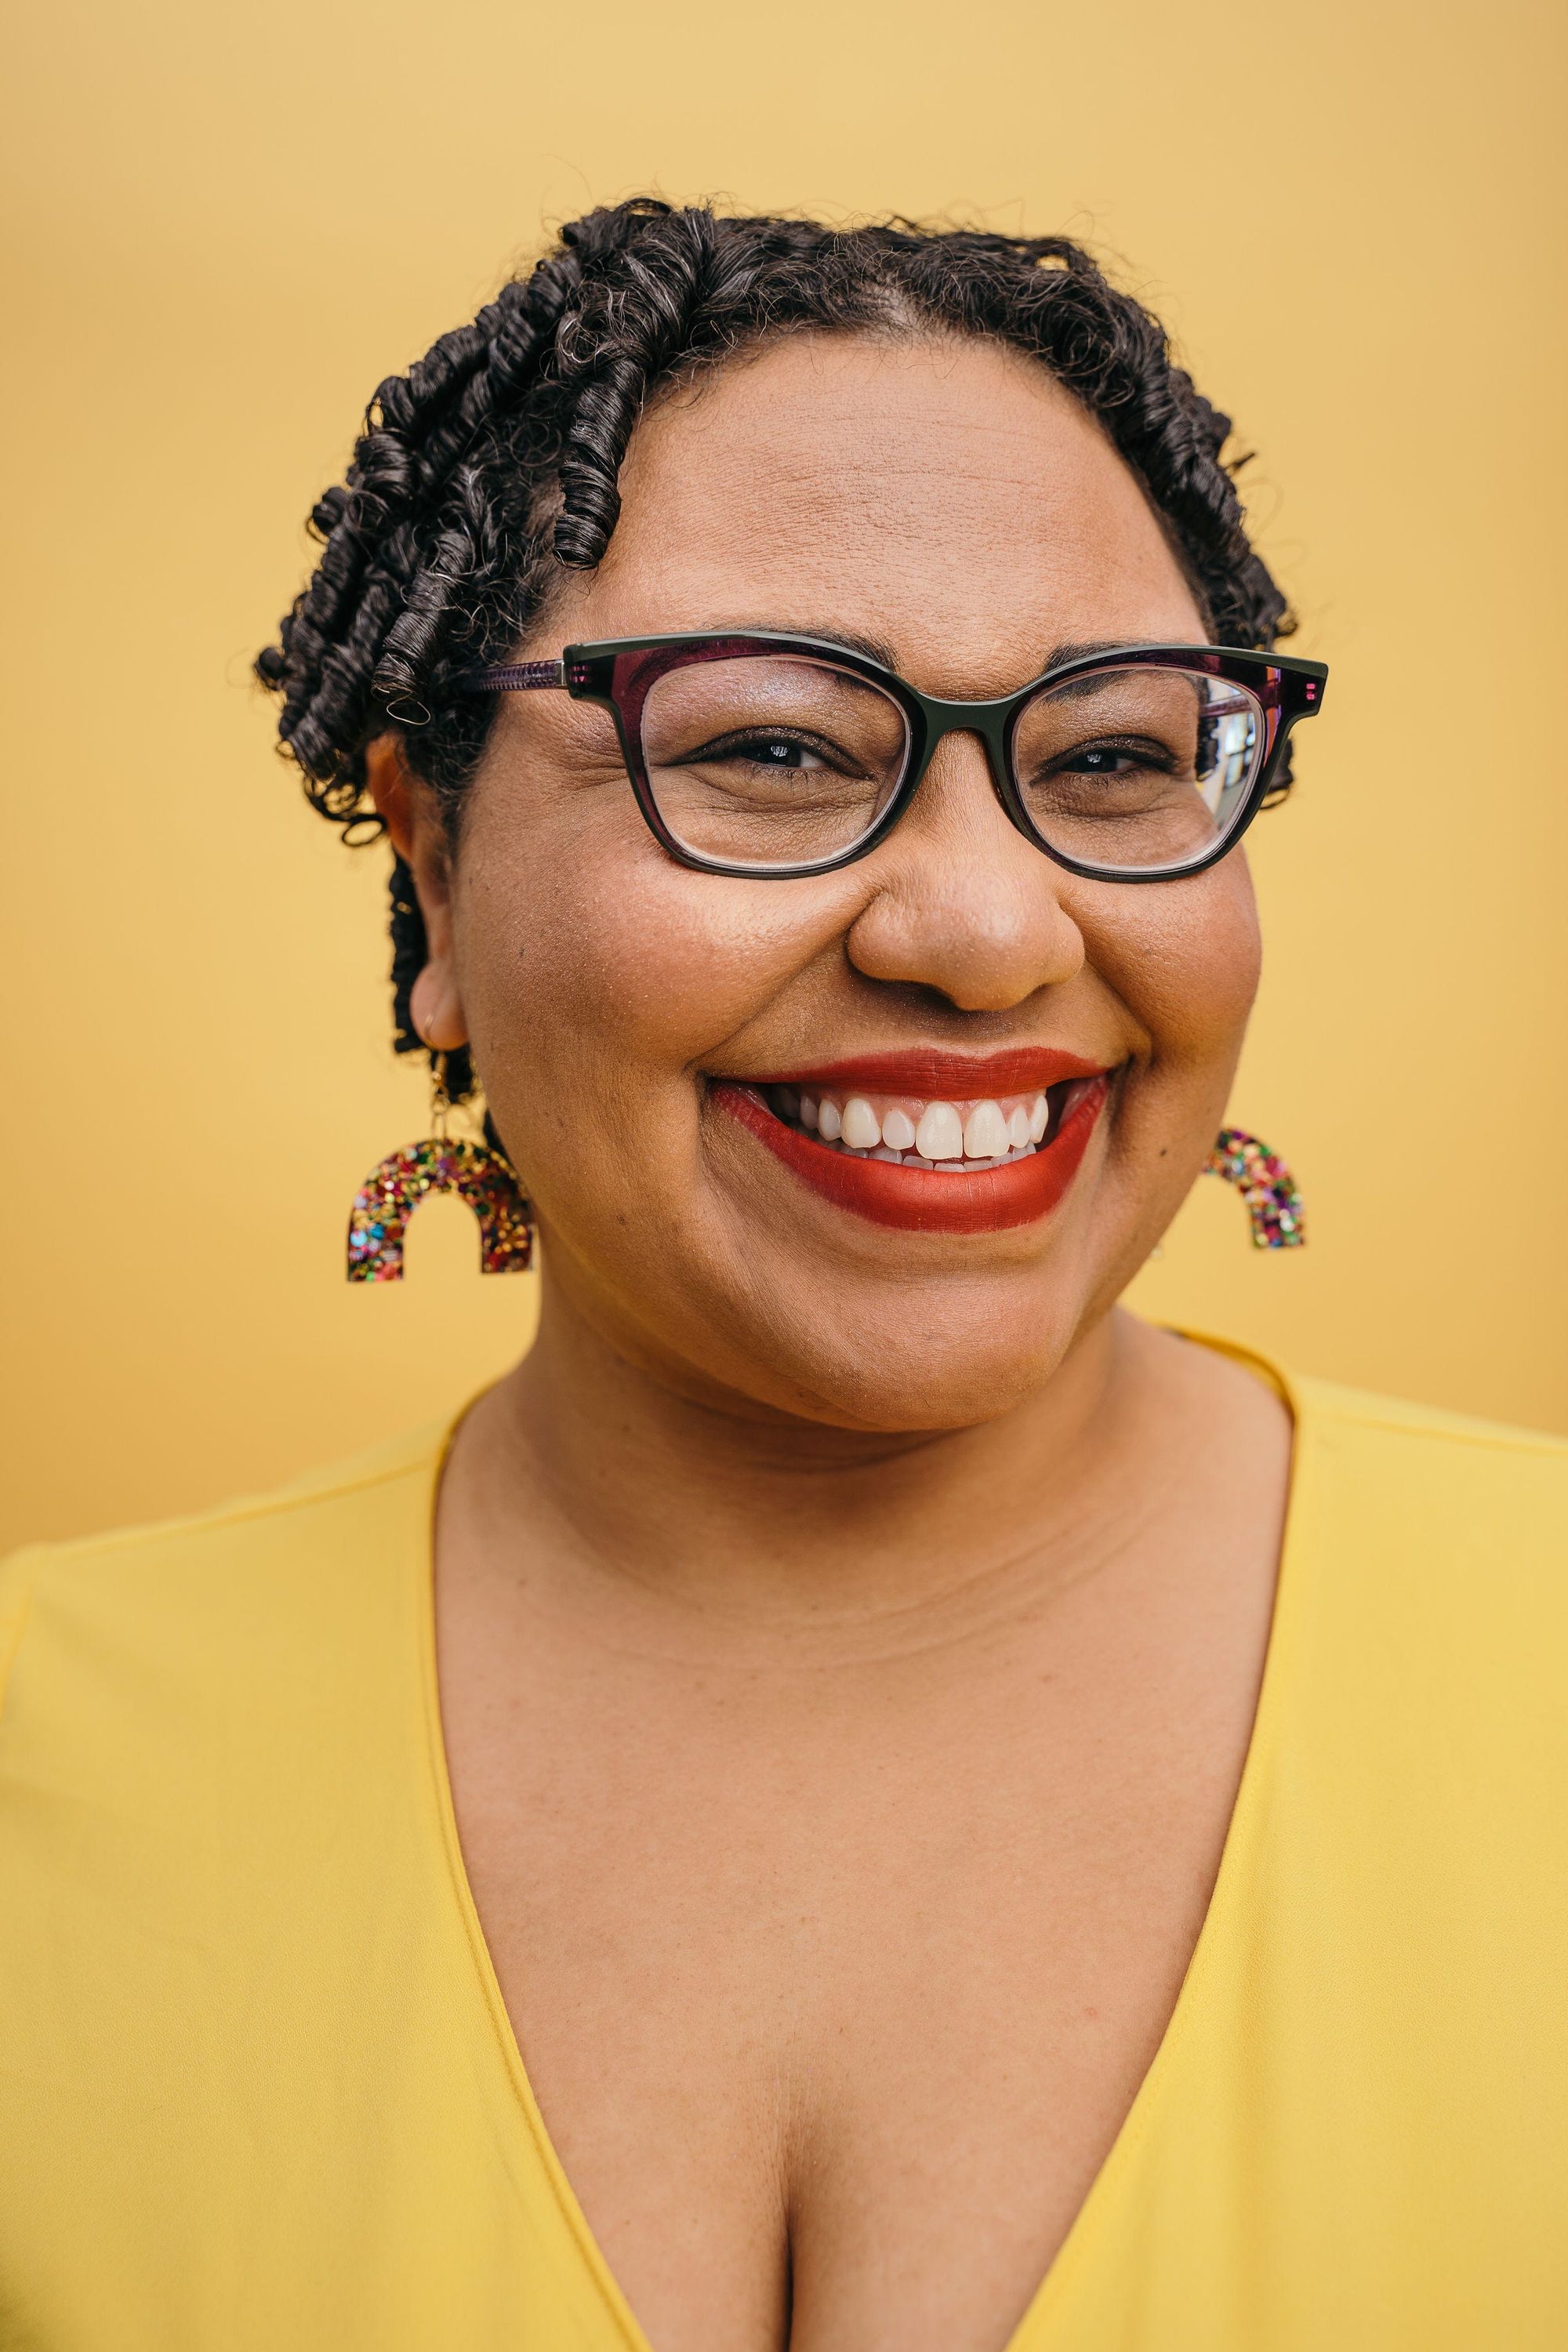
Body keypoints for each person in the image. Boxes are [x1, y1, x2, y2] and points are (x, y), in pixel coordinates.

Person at [1, 201, 1563, 2352]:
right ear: (434, 865)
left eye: (1112, 754)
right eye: (770, 750)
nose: (989, 931)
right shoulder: (39, 1773)